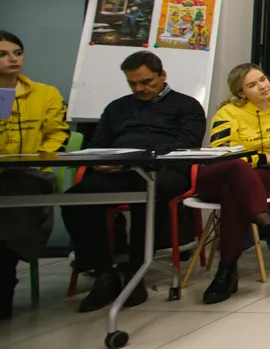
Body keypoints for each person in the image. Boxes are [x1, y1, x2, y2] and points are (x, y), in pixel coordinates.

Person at [64, 52, 206, 312]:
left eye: (146, 82)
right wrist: (100, 162)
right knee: (76, 198)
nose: (140, 88)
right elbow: (98, 144)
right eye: (133, 83)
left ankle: (136, 271)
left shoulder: (187, 106)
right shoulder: (117, 108)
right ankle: (104, 274)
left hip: (165, 169)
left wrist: (141, 157)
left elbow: (187, 144)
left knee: (148, 194)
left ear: (162, 75)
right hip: (118, 172)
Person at [200, 63, 270, 304]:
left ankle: (226, 272)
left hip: (257, 177)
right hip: (222, 174)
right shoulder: (228, 112)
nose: (263, 86)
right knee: (237, 168)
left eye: (263, 79)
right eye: (252, 85)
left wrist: (266, 158)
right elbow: (223, 155)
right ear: (241, 92)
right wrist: (264, 158)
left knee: (233, 193)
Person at [0, 32, 70, 319]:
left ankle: (4, 283)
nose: (13, 59)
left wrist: (41, 162)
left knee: (14, 194)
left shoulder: (46, 93)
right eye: (3, 54)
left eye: (17, 52)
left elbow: (57, 134)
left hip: (31, 176)